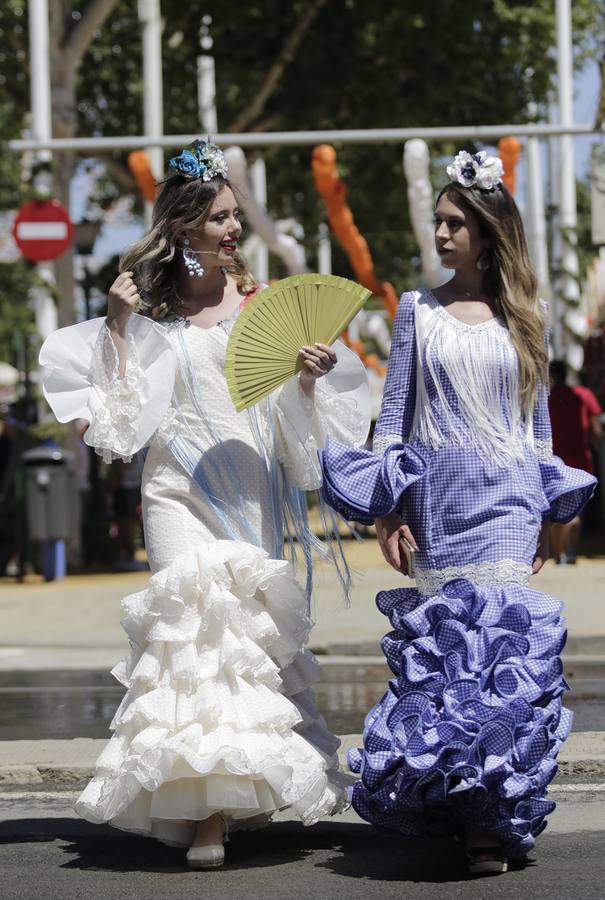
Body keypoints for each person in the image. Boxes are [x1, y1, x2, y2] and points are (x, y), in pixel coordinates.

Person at [39, 139, 370, 868]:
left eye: (232, 217)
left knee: (242, 646)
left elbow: (292, 430)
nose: (231, 229)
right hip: (173, 489)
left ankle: (233, 792)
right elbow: (121, 429)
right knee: (190, 636)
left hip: (246, 485)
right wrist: (118, 327)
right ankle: (206, 813)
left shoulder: (258, 306)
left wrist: (308, 380)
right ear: (182, 226)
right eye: (217, 218)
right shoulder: (150, 308)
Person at [319, 150, 596, 876]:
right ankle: (455, 802)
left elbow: (535, 428)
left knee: (503, 653)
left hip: (508, 499)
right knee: (448, 657)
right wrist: (389, 510)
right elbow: (396, 421)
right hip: (439, 502)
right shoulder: (416, 308)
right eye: (438, 223)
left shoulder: (525, 316)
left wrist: (545, 512)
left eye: (453, 223)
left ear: (485, 230)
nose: (441, 234)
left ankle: (487, 818)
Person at [548, 359, 603, 563]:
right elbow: (595, 428)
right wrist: (595, 446)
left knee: (554, 510)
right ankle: (570, 551)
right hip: (580, 460)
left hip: (553, 461)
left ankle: (559, 553)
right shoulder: (584, 395)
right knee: (578, 509)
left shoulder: (546, 398)